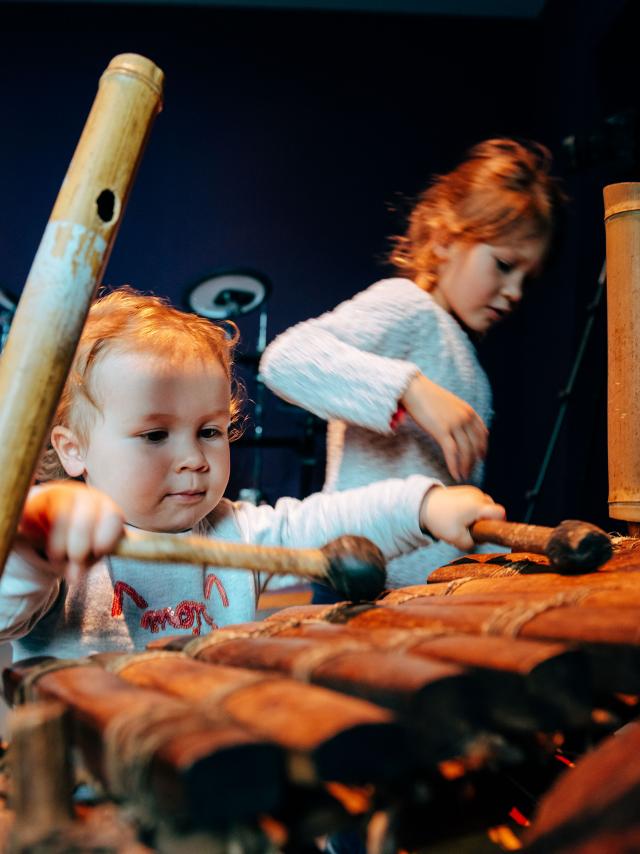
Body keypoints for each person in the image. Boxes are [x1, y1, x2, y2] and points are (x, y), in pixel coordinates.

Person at [0, 288, 505, 661]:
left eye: (210, 431)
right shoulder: (61, 544)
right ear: (74, 450)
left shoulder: (236, 532)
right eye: (155, 436)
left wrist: (422, 506)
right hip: (82, 792)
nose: (194, 459)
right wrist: (30, 548)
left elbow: (324, 523)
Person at [260, 138, 564, 590]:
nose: (515, 291)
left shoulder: (466, 360)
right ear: (444, 241)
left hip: (422, 593)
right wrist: (410, 389)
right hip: (364, 582)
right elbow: (285, 359)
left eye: (526, 278)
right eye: (504, 265)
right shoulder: (407, 307)